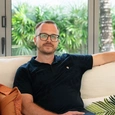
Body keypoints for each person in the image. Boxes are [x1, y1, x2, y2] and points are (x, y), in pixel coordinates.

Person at [13, 20, 115, 115]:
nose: (49, 40)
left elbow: (102, 58)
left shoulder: (70, 60)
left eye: (53, 36)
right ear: (35, 40)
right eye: (44, 35)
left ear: (57, 41)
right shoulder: (25, 71)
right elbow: (25, 107)